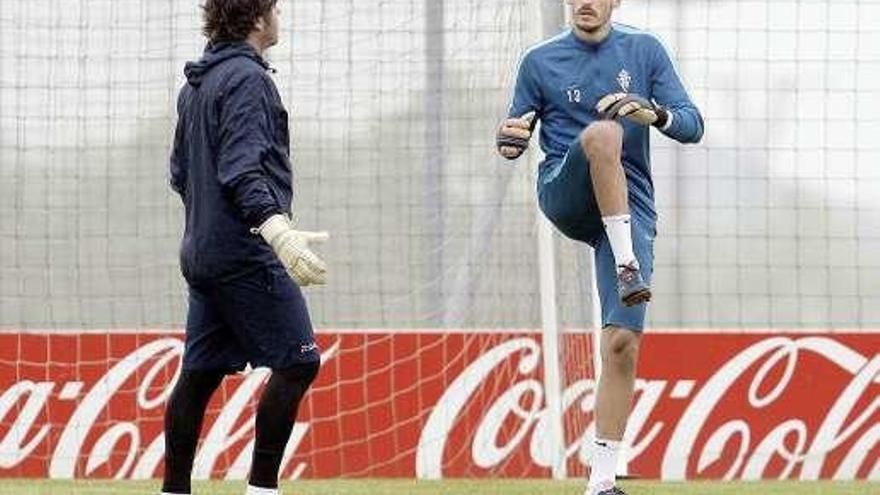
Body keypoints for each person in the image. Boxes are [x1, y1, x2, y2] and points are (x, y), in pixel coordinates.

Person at [496, 0, 703, 493]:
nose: (585, 2)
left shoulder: (645, 50)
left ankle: (602, 483)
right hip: (566, 193)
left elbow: (693, 125)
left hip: (630, 206)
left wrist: (652, 113)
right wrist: (509, 138)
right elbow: (512, 138)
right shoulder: (539, 60)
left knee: (621, 343)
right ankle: (627, 263)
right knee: (604, 133)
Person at [164, 1, 328, 494]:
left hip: (203, 251)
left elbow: (179, 173)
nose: (279, 17)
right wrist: (276, 229)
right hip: (243, 251)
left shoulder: (197, 84)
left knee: (200, 372)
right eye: (275, 9)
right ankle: (261, 489)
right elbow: (241, 170)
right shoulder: (248, 80)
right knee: (299, 361)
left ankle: (175, 490)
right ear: (258, 19)